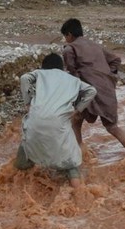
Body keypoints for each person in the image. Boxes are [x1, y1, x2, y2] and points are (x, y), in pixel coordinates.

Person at [14, 53, 97, 188]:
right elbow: (91, 91)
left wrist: (28, 102)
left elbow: (24, 78)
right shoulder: (73, 80)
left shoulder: (40, 74)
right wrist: (78, 109)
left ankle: (17, 183)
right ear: (62, 67)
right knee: (71, 160)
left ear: (44, 67)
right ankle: (79, 193)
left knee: (27, 143)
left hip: (35, 120)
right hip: (59, 123)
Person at [60, 18, 125, 155]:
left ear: (69, 35)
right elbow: (116, 60)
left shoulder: (69, 49)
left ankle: (80, 151)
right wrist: (108, 75)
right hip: (107, 90)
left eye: (65, 36)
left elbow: (73, 75)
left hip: (89, 91)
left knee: (76, 120)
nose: (65, 39)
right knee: (112, 127)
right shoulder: (95, 46)